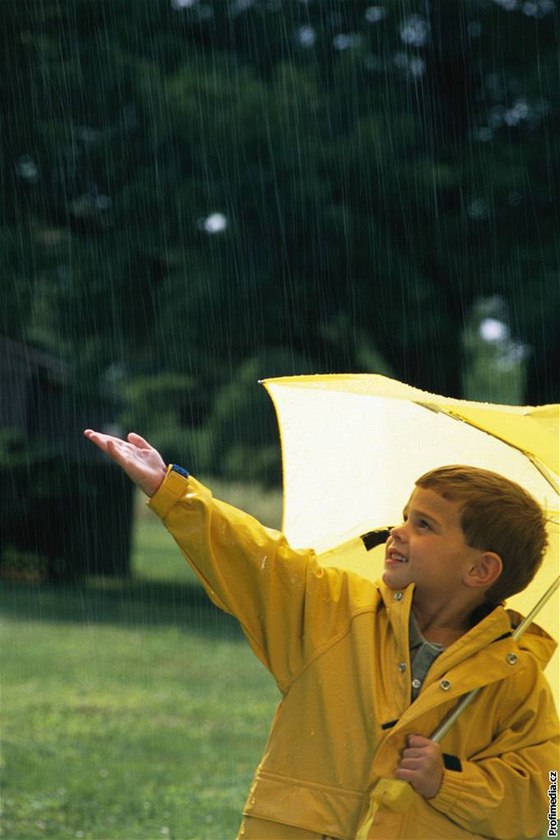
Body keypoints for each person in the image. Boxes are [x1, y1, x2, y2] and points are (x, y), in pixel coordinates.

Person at [83, 429, 559, 840]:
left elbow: (552, 805)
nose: (398, 531)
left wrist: (449, 779)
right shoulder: (336, 610)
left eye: (424, 524)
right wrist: (171, 492)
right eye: (405, 515)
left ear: (481, 569)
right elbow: (257, 559)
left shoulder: (516, 677)